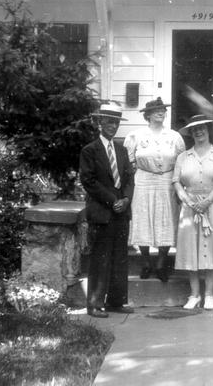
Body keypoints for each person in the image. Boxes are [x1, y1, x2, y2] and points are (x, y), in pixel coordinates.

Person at [79, 102, 135, 318]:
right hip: (102, 211)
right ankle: (94, 304)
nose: (113, 125)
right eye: (109, 121)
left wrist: (127, 200)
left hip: (122, 211)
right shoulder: (89, 150)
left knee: (120, 257)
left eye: (116, 121)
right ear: (99, 122)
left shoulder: (122, 150)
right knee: (100, 258)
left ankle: (116, 301)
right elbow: (89, 181)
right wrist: (113, 201)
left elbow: (129, 178)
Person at [172, 115, 213, 310]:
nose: (199, 132)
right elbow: (176, 182)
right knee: (190, 248)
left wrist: (207, 201)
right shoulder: (183, 157)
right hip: (190, 207)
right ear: (191, 133)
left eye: (202, 128)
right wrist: (187, 200)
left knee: (212, 246)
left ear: (208, 130)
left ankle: (209, 294)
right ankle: (194, 294)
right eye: (194, 129)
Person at [124, 97, 186, 282]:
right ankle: (145, 263)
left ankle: (160, 264)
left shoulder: (174, 137)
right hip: (143, 180)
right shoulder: (135, 136)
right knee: (143, 218)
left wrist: (178, 183)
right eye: (157, 110)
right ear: (148, 115)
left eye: (163, 110)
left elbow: (181, 162)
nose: (161, 112)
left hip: (167, 180)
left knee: (165, 219)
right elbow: (129, 162)